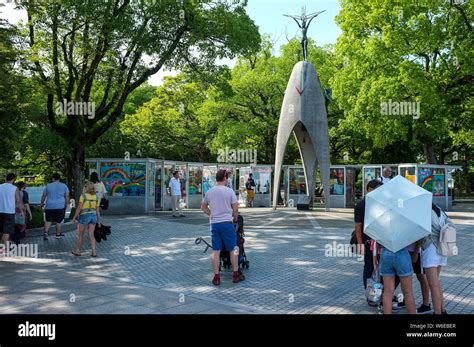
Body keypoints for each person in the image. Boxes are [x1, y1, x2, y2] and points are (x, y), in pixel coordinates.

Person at [201, 169, 245, 285]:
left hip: (214, 225)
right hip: (227, 224)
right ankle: (236, 274)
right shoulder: (229, 192)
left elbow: (203, 207)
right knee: (233, 249)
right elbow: (235, 209)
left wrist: (211, 214)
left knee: (216, 251)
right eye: (227, 177)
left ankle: (216, 277)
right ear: (225, 178)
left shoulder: (210, 191)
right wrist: (235, 218)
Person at [374, 240, 416, 314]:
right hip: (401, 251)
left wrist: (374, 258)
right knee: (408, 292)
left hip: (385, 252)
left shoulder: (383, 227)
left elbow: (376, 239)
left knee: (388, 292)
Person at [421, 204, 449, 314]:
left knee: (433, 285)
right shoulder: (440, 211)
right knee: (436, 283)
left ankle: (437, 313)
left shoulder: (426, 213)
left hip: (431, 250)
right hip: (442, 249)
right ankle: (442, 310)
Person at [71, 181, 101, 257]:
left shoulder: (83, 196)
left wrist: (74, 217)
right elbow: (97, 210)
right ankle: (94, 252)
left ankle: (78, 251)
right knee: (91, 235)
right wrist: (99, 221)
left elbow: (79, 207)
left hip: (84, 216)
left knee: (80, 234)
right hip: (93, 216)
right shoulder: (96, 197)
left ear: (86, 187)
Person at [41, 173, 69, 240]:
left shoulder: (48, 186)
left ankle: (45, 232)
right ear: (59, 178)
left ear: (53, 178)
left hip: (49, 205)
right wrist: (67, 203)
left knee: (48, 220)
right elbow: (67, 196)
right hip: (60, 205)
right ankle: (58, 234)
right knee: (58, 221)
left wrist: (42, 203)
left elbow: (44, 195)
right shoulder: (64, 186)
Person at [0, 173, 23, 252]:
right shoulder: (14, 188)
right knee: (7, 231)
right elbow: (18, 201)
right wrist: (22, 212)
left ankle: (6, 248)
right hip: (9, 212)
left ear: (6, 178)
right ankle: (2, 248)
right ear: (13, 179)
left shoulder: (0, 187)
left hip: (0, 211)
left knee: (2, 231)